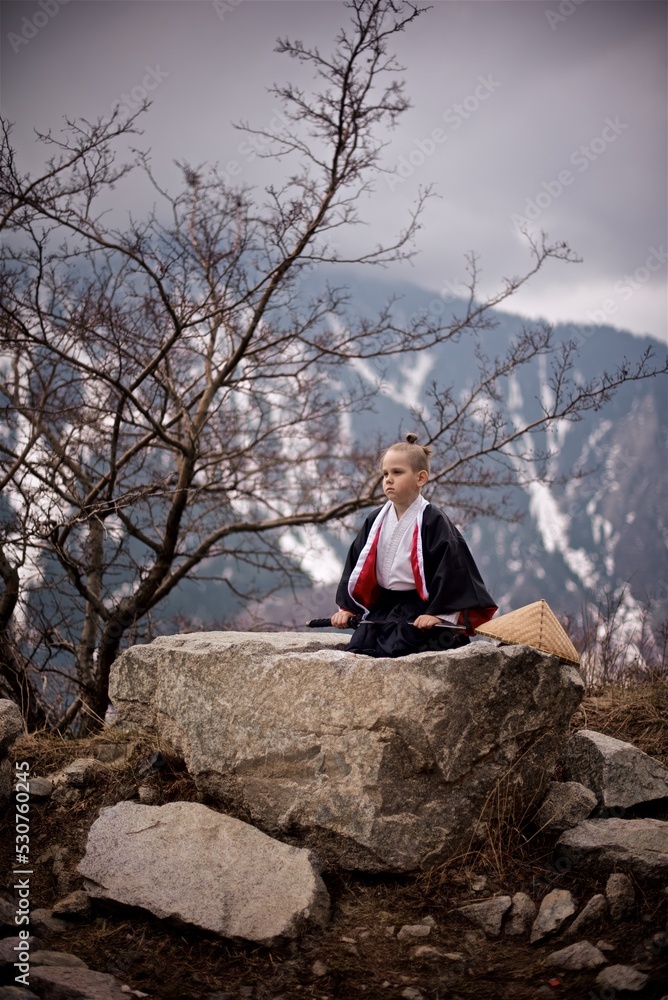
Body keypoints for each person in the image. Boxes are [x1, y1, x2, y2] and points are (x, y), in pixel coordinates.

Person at [331, 433, 497, 657]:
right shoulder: (374, 520)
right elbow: (355, 566)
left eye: (397, 472)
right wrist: (347, 608)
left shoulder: (434, 520)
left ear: (421, 478)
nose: (388, 479)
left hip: (420, 608)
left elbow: (453, 571)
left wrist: (439, 614)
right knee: (361, 648)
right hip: (383, 608)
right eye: (385, 474)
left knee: (402, 650)